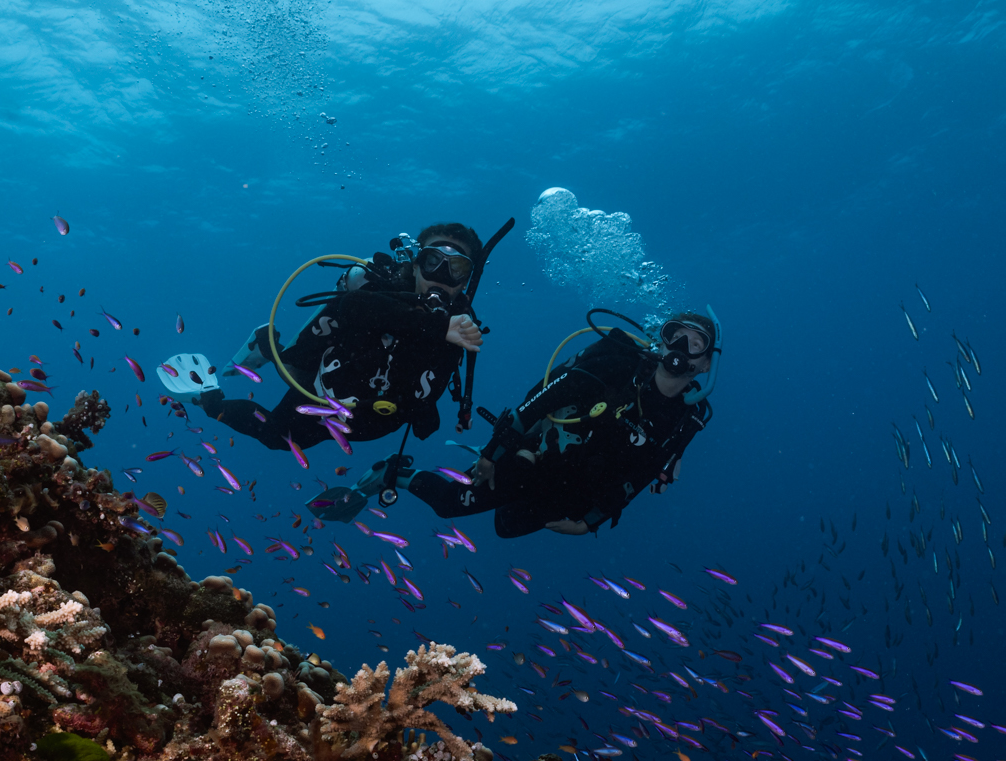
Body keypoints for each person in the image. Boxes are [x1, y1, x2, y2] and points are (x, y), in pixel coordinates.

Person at [159, 225, 491, 464]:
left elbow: (433, 379)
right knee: (277, 436)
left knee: (284, 442)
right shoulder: (385, 293)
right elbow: (354, 307)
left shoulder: (461, 326)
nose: (442, 275)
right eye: (433, 261)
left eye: (457, 267)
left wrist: (424, 412)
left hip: (371, 420)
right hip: (320, 392)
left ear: (466, 281)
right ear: (416, 263)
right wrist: (436, 325)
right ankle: (229, 380)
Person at [384, 308, 720, 537]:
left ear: (706, 364)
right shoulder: (615, 368)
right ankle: (392, 472)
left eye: (695, 343)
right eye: (674, 335)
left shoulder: (686, 418)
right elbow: (535, 405)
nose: (680, 347)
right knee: (450, 505)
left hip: (578, 488)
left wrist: (591, 522)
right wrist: (492, 454)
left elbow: (644, 475)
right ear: (660, 340)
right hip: (536, 455)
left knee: (506, 527)